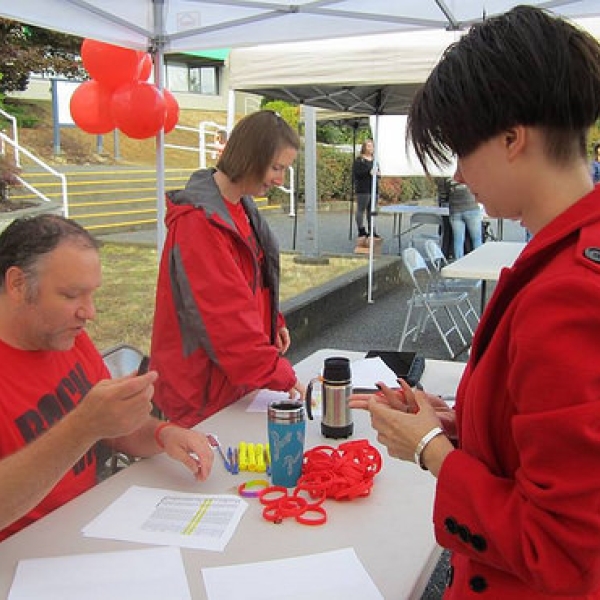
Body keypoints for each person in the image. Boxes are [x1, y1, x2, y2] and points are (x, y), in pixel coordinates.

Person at [351, 6, 600, 598]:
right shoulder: (568, 256)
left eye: (464, 149)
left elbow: (559, 548)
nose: (460, 172)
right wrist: (462, 425)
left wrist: (431, 450)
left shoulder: (568, 294)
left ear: (514, 139)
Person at [0, 214, 214, 542]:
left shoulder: (64, 336)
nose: (89, 312)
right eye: (71, 295)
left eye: (91, 294)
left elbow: (111, 429)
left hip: (89, 529)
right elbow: (90, 427)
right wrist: (82, 426)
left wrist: (163, 434)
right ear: (17, 285)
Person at [150, 110, 304, 428]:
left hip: (231, 383)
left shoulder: (240, 208)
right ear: (250, 157)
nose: (279, 180)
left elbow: (250, 281)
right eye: (276, 168)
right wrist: (282, 375)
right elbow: (224, 318)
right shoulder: (199, 223)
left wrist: (273, 321)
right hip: (200, 391)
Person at [447, 178, 482, 259]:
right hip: (471, 207)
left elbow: (444, 193)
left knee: (458, 240)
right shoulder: (469, 173)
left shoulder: (448, 177)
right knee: (476, 239)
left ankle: (458, 263)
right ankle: (478, 261)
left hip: (455, 210)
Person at [353, 138, 380, 238]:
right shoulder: (360, 160)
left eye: (372, 146)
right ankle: (361, 229)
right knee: (361, 209)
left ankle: (372, 230)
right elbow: (356, 174)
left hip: (374, 189)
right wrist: (368, 173)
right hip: (363, 189)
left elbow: (378, 173)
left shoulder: (375, 160)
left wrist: (378, 174)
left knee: (372, 210)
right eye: (368, 146)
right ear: (364, 147)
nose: (371, 148)